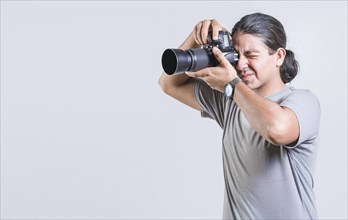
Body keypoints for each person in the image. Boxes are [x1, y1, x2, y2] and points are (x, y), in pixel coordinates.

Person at [159, 13, 320, 219]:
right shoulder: (228, 101)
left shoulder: (302, 101)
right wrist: (196, 36)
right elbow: (168, 84)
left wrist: (233, 86)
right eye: (235, 56)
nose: (241, 65)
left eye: (251, 55)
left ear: (278, 56)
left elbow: (276, 130)